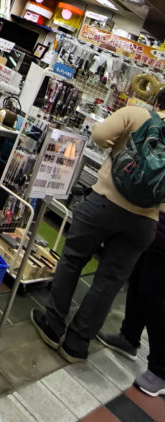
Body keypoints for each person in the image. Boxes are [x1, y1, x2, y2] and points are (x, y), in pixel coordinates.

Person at [31, 89, 165, 363]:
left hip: (105, 202)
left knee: (73, 259)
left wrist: (120, 151)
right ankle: (77, 345)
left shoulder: (137, 114)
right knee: (109, 281)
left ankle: (53, 326)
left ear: (157, 102)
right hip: (145, 222)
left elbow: (99, 136)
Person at [98, 211, 165, 396]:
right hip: (155, 228)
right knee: (138, 283)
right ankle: (129, 337)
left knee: (155, 299)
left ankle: (161, 370)